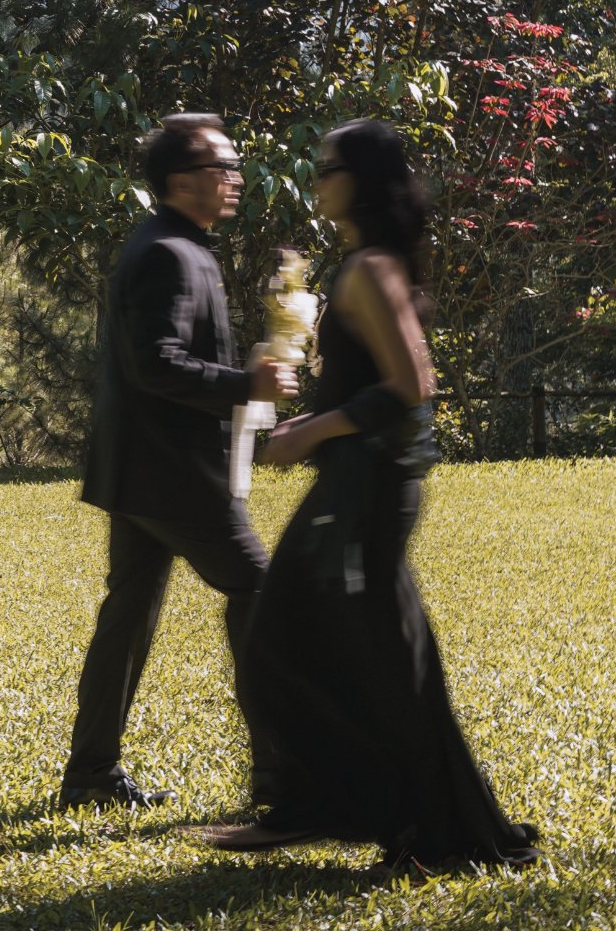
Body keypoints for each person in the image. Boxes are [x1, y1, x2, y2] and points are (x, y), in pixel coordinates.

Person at [194, 119, 539, 875]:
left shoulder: (368, 269)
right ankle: (367, 816)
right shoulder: (363, 264)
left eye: (328, 169)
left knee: (288, 644)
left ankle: (388, 823)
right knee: (372, 656)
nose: (317, 181)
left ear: (360, 180)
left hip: (367, 491)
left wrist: (314, 430)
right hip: (363, 485)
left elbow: (414, 385)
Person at [58, 112, 297, 812]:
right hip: (173, 474)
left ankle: (92, 775)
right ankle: (280, 777)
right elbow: (155, 364)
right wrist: (246, 385)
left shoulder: (177, 245)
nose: (235, 179)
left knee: (128, 615)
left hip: (140, 471)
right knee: (263, 595)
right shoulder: (167, 252)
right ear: (180, 181)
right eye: (222, 168)